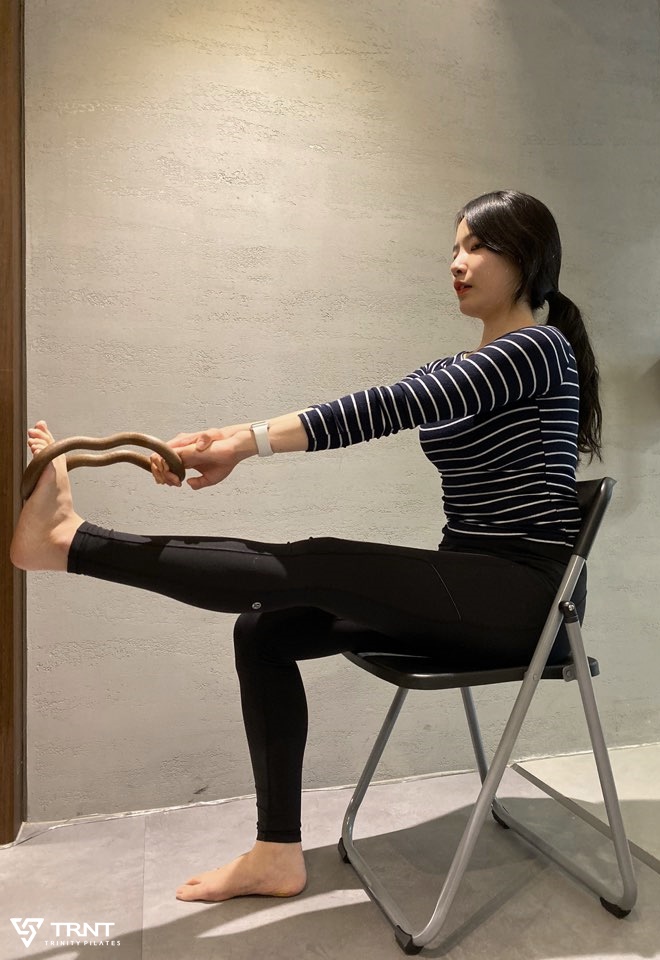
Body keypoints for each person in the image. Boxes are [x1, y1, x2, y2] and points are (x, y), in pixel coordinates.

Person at [11, 189, 601, 905]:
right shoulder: (463, 365)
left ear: (527, 258)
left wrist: (246, 443)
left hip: (527, 601)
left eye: (477, 247)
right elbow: (378, 405)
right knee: (266, 630)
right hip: (468, 584)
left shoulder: (539, 348)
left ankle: (71, 543)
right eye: (453, 248)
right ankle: (276, 854)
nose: (456, 262)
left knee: (315, 560)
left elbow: (392, 407)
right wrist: (220, 440)